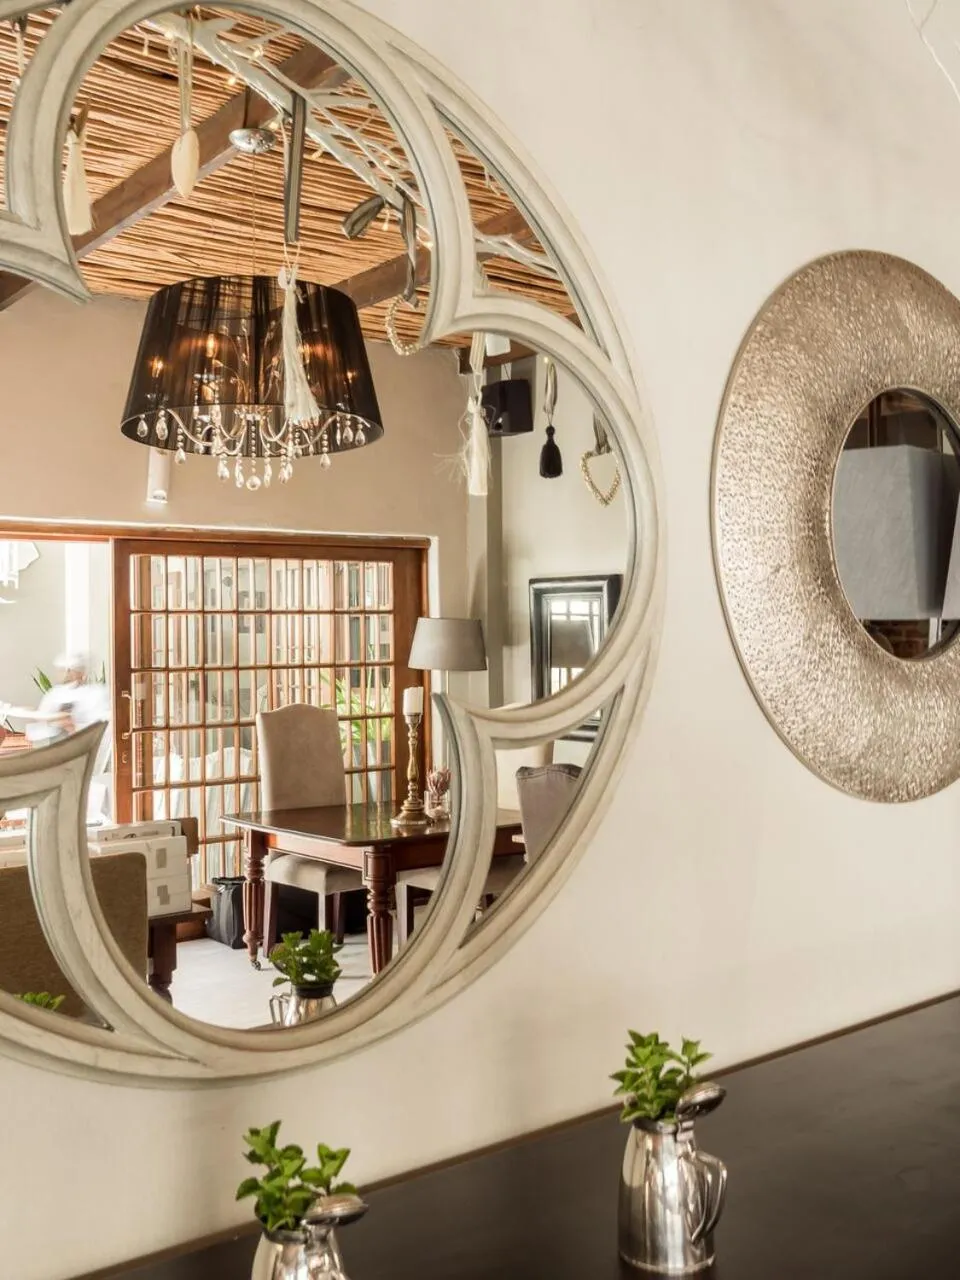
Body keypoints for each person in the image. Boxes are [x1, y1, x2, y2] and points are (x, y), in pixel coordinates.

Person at [0, 654, 109, 746]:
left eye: (66, 671)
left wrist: (73, 724)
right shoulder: (55, 693)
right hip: (57, 743)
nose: (62, 674)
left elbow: (103, 723)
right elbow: (42, 716)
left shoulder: (96, 692)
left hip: (87, 741)